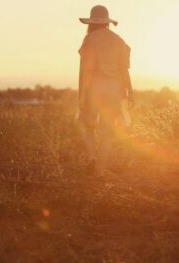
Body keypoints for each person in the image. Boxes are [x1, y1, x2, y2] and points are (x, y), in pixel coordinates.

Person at [78, 5, 134, 175]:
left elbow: (88, 71)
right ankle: (101, 169)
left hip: (95, 88)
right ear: (107, 22)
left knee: (88, 125)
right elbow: (124, 71)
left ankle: (91, 158)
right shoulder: (119, 40)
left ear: (92, 22)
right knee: (107, 130)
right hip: (114, 89)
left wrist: (83, 94)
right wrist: (130, 93)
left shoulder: (90, 40)